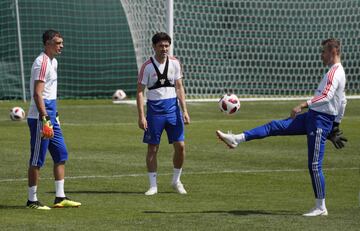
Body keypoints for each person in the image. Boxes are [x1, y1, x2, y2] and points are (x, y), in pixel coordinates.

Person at [216, 38, 347, 216]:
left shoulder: (335, 73)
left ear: (333, 52)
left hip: (320, 121)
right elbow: (343, 101)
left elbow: (326, 96)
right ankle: (237, 139)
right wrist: (336, 125)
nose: (321, 55)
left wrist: (303, 105)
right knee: (274, 126)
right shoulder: (335, 72)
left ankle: (320, 206)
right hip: (313, 117)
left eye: (323, 51)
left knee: (314, 165)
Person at [26, 29, 81, 210]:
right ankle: (32, 200)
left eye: (61, 42)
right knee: (37, 160)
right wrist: (45, 119)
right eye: (58, 43)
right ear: (48, 43)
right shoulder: (41, 63)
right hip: (40, 118)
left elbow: (50, 94)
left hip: (51, 116)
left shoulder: (53, 62)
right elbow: (37, 94)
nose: (61, 46)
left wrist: (54, 116)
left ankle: (60, 197)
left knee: (61, 155)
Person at [136, 32, 190, 196]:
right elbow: (139, 92)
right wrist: (141, 116)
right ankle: (153, 185)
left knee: (180, 146)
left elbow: (179, 87)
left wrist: (185, 111)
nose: (164, 49)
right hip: (155, 112)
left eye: (167, 45)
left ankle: (176, 180)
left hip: (173, 110)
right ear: (154, 47)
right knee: (153, 148)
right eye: (161, 46)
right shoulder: (147, 66)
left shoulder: (175, 63)